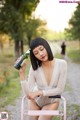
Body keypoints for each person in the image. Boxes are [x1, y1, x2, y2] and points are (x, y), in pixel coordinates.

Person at [17, 37, 67, 120]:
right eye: (36, 53)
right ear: (34, 56)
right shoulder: (34, 68)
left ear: (46, 46)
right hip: (35, 102)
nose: (40, 54)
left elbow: (59, 90)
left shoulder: (62, 64)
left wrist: (39, 92)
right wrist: (22, 73)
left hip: (51, 102)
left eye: (41, 49)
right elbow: (28, 94)